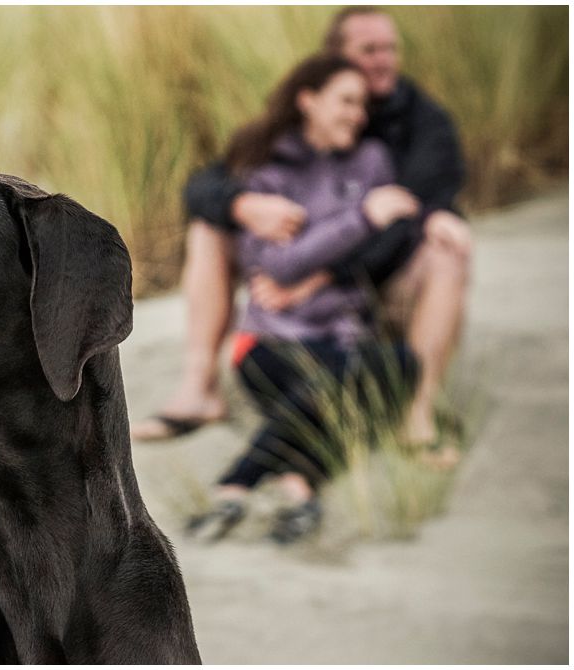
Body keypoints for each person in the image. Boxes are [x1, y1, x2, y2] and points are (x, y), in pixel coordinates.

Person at [132, 7, 470, 464]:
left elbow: (403, 225)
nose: (384, 60)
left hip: (378, 282)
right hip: (292, 288)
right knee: (210, 227)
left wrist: (320, 277)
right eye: (369, 50)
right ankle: (199, 388)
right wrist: (243, 205)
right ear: (336, 58)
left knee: (447, 246)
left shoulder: (423, 125)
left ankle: (418, 411)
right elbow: (203, 186)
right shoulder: (304, 113)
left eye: (391, 48)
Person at [181, 53, 420, 544]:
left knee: (402, 363)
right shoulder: (265, 170)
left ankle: (243, 485)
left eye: (363, 104)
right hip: (270, 342)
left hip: (343, 337)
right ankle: (287, 489)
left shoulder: (371, 159)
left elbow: (396, 238)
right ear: (308, 101)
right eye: (346, 101)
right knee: (329, 387)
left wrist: (321, 271)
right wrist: (363, 218)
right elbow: (276, 268)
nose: (358, 114)